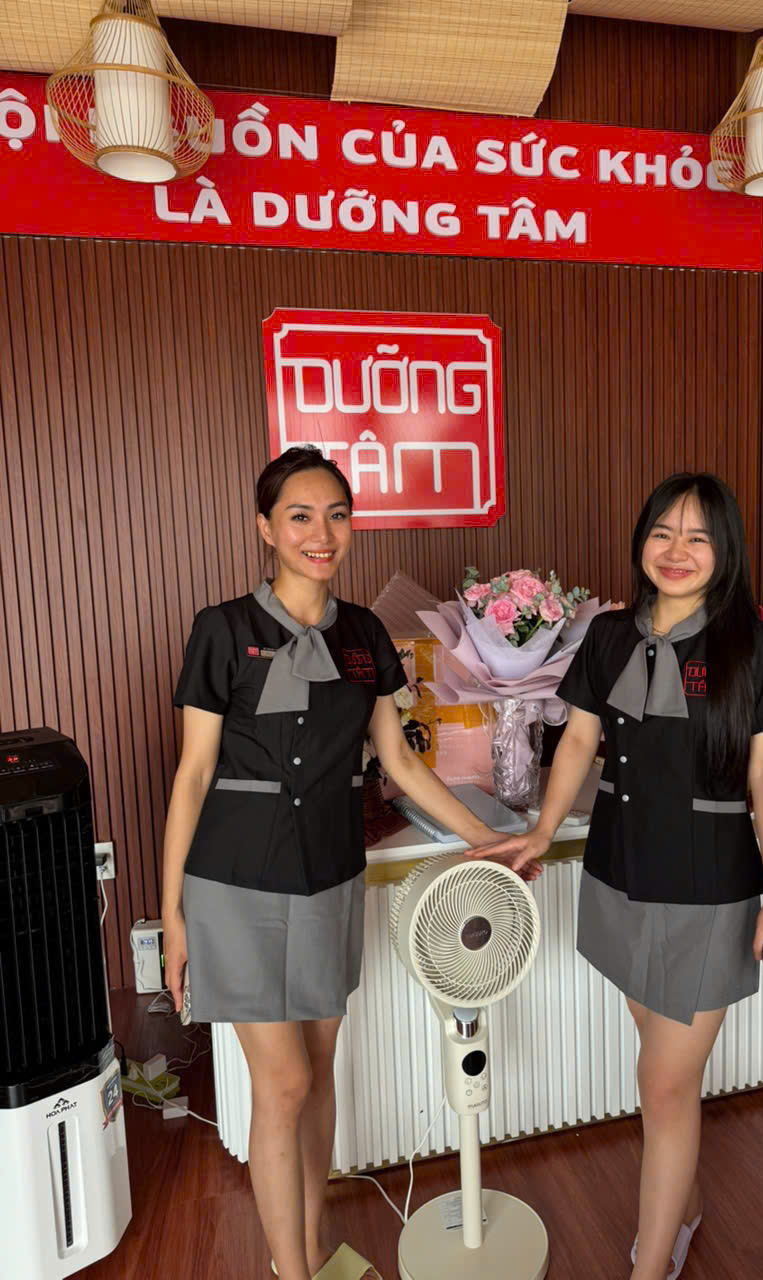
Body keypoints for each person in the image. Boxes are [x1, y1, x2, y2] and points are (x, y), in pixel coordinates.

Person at [160, 447, 534, 1280]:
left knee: (320, 1073)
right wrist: (174, 916)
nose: (321, 533)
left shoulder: (365, 635)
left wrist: (485, 841)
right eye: (300, 516)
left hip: (330, 874)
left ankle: (312, 1245)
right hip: (235, 881)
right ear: (266, 528)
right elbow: (191, 775)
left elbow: (399, 765)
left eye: (336, 515)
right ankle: (291, 1272)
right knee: (283, 1086)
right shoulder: (223, 629)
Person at [473, 472, 763, 1280]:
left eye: (697, 536)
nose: (677, 550)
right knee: (658, 1066)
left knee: (663, 1084)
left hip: (711, 887)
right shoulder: (609, 637)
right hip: (618, 873)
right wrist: (542, 830)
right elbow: (578, 742)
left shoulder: (752, 650)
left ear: (725, 551)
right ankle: (685, 1206)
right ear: (641, 542)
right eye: (662, 532)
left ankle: (648, 1267)